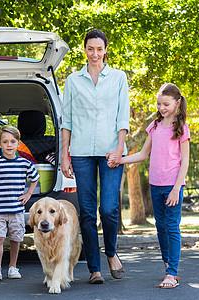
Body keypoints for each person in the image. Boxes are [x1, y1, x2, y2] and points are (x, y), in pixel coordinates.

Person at [61, 29, 130, 284]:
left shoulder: (118, 78)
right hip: (80, 153)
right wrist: (64, 157)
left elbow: (123, 116)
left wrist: (119, 148)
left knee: (109, 209)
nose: (95, 54)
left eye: (99, 49)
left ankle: (111, 252)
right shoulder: (73, 80)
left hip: (111, 152)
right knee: (88, 212)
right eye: (90, 48)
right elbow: (66, 121)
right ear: (85, 49)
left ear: (105, 50)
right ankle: (94, 268)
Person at [115, 83, 190, 288]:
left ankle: (172, 273)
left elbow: (185, 161)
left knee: (172, 227)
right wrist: (118, 159)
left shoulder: (182, 128)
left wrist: (176, 188)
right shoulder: (155, 126)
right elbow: (142, 154)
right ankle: (168, 265)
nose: (161, 108)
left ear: (177, 102)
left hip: (172, 186)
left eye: (166, 104)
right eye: (159, 104)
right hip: (156, 185)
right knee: (160, 226)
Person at [0, 126, 39, 281]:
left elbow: (35, 178)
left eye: (12, 141)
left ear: (18, 144)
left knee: (16, 239)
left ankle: (12, 267)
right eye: (5, 142)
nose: (9, 145)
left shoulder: (25, 163)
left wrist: (28, 193)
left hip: (16, 209)